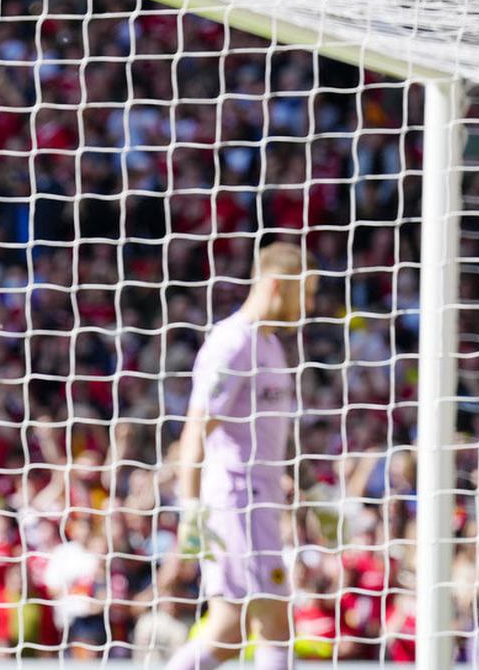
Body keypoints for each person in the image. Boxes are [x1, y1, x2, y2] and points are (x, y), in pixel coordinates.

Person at [165, 241, 316, 670]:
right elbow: (196, 430)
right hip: (234, 497)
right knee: (267, 618)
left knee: (230, 635)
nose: (307, 305)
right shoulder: (231, 344)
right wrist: (190, 510)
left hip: (260, 496)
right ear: (274, 284)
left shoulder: (269, 345)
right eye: (303, 292)